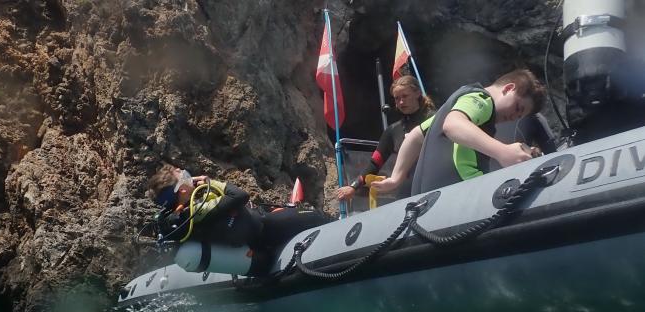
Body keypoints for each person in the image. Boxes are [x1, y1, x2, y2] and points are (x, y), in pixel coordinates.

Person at [373, 69, 547, 196]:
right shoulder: (482, 101)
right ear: (508, 88)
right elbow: (453, 125)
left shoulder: (453, 105)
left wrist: (396, 177)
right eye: (518, 107)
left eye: (519, 116)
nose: (514, 117)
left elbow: (414, 137)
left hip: (430, 199)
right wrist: (504, 152)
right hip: (460, 196)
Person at [146, 165, 330, 252]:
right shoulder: (196, 211)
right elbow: (240, 195)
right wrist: (211, 182)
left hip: (257, 224)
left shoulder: (184, 215)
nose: (191, 176)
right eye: (185, 175)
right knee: (318, 217)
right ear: (183, 188)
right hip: (265, 228)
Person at [335, 75, 436, 202]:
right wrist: (353, 187)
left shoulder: (436, 119)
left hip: (436, 182)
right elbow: (374, 163)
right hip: (408, 191)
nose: (400, 102)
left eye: (405, 96)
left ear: (417, 93)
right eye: (397, 98)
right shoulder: (393, 131)